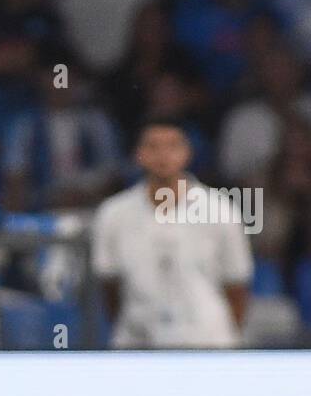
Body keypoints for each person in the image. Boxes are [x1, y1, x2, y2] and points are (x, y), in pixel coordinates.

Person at [92, 121, 252, 349]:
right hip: (137, 344)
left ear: (187, 153)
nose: (163, 155)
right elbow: (109, 286)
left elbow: (236, 286)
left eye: (172, 146)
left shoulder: (221, 210)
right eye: (153, 147)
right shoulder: (113, 214)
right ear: (138, 154)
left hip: (208, 342)